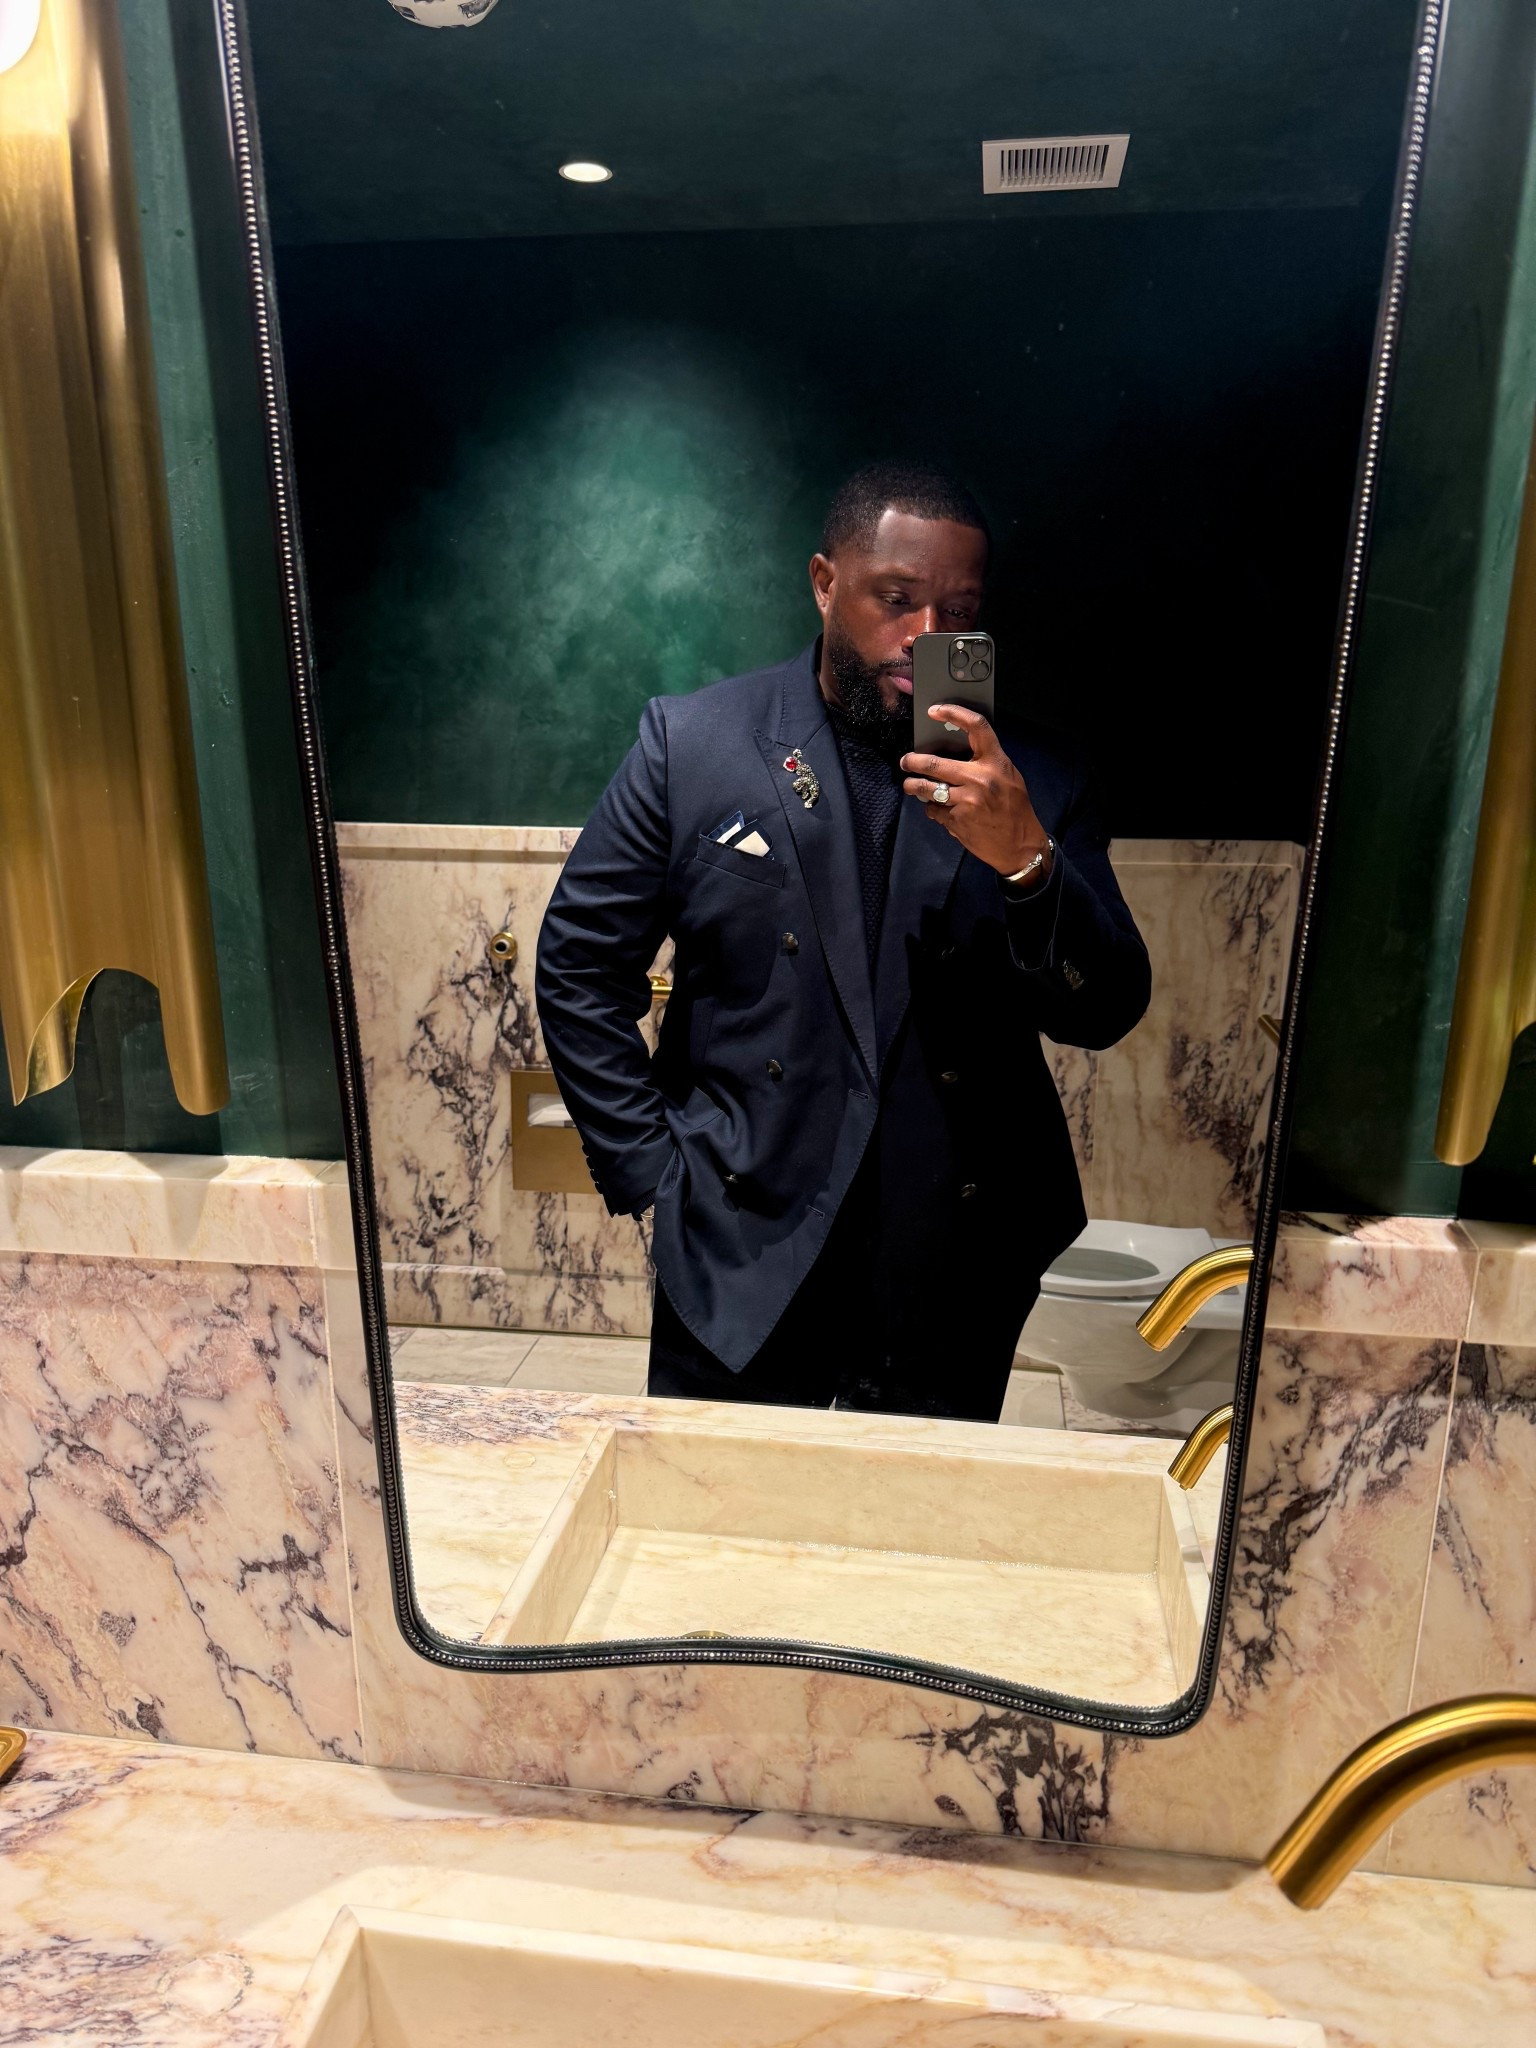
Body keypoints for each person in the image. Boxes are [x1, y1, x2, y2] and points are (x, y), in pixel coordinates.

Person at [536, 460, 1150, 1421]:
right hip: (740, 1231)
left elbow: (1105, 1009)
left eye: (959, 611)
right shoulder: (692, 744)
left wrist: (1028, 862)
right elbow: (579, 962)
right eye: (896, 599)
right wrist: (649, 1166)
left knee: (908, 1510)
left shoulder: (1038, 779)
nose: (927, 636)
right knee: (721, 1501)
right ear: (826, 583)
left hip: (953, 1249)